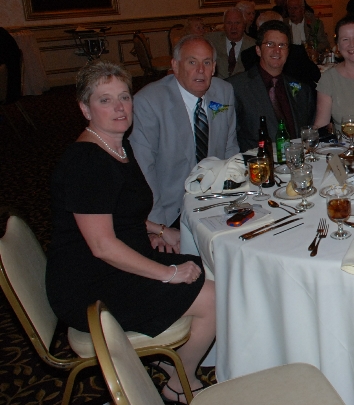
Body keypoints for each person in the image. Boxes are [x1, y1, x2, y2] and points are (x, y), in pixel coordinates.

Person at [46, 61, 216, 404]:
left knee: (209, 266)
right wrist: (168, 274)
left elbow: (118, 212)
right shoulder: (87, 162)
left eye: (124, 97)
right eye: (105, 100)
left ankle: (169, 363)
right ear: (85, 109)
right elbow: (102, 245)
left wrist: (159, 230)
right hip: (90, 285)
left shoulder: (117, 146)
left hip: (114, 261)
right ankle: (179, 381)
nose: (119, 108)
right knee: (214, 297)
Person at [130, 35, 239, 229]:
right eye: (192, 62)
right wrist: (159, 228)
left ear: (214, 67)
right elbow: (144, 171)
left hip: (217, 202)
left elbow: (230, 149)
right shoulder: (149, 102)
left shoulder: (224, 92)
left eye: (207, 62)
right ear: (175, 65)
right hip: (171, 211)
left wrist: (235, 198)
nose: (200, 70)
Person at [229, 20, 316, 149]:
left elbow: (309, 133)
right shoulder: (236, 88)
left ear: (288, 51)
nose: (277, 50)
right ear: (258, 50)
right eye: (270, 44)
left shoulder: (303, 90)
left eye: (282, 45)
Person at [205, 7, 256, 79]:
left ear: (244, 25)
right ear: (224, 25)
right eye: (229, 23)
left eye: (237, 23)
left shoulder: (253, 45)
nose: (233, 27)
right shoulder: (211, 40)